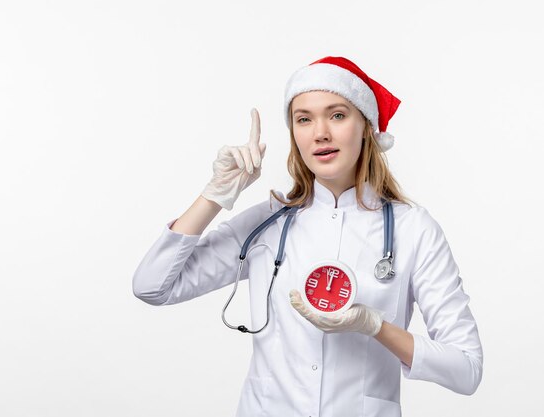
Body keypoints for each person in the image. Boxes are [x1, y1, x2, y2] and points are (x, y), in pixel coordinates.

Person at [132, 56, 483, 417]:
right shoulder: (268, 223)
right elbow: (152, 286)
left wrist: (375, 326)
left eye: (337, 115)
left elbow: (467, 369)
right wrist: (215, 195)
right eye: (304, 119)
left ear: (365, 126)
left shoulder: (413, 229)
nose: (320, 133)